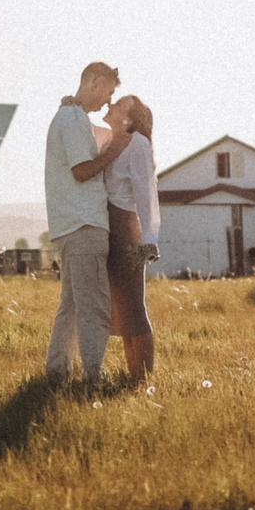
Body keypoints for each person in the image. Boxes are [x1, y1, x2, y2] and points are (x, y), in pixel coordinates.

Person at [43, 60, 130, 384]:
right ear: (94, 82)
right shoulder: (74, 119)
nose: (107, 102)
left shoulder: (70, 116)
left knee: (72, 304)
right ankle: (94, 377)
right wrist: (115, 151)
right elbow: (81, 171)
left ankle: (57, 371)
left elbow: (99, 138)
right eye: (107, 93)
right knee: (93, 305)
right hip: (83, 224)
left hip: (70, 224)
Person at [103, 95, 158, 380]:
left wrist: (149, 237)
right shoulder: (112, 142)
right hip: (111, 226)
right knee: (122, 309)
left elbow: (145, 192)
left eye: (119, 103)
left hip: (127, 226)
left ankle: (143, 380)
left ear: (130, 118)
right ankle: (133, 375)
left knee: (133, 306)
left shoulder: (137, 144)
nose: (110, 105)